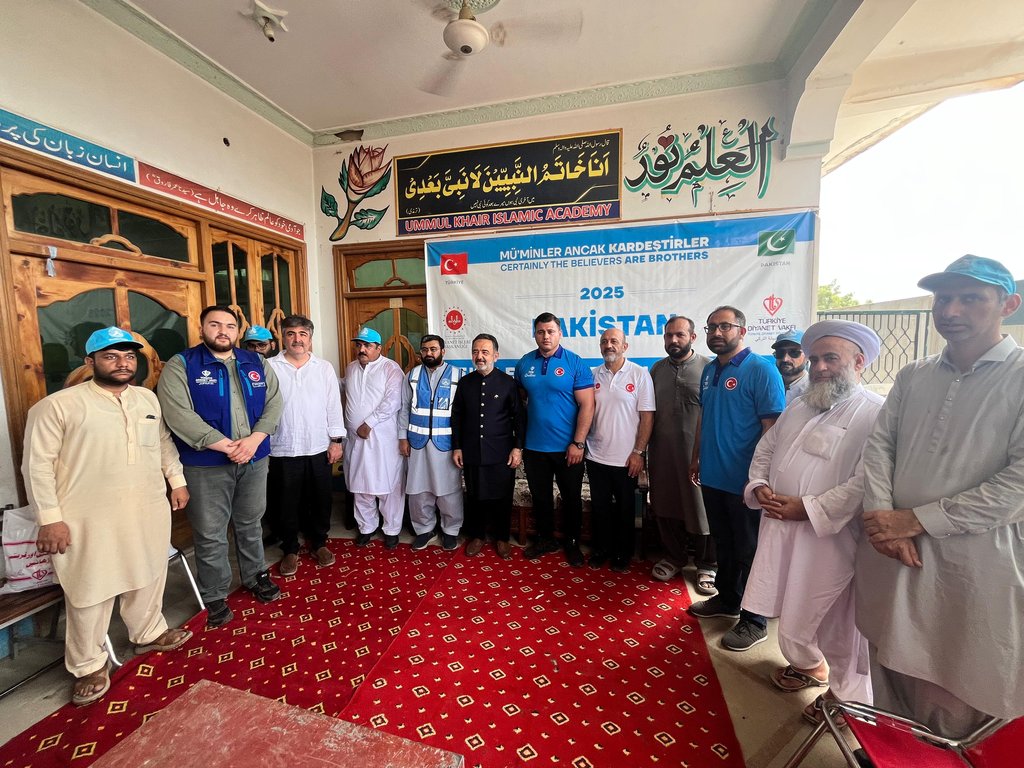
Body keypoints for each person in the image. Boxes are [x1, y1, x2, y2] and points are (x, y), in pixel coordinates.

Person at [859, 255, 1024, 735]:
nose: (951, 310)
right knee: (888, 661)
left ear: (1008, 305)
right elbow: (880, 447)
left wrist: (916, 520)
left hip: (973, 559)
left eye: (970, 298)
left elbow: (1019, 483)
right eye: (943, 298)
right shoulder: (914, 374)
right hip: (891, 550)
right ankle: (891, 753)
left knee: (957, 674)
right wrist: (882, 518)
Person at [23, 327, 193, 706]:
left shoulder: (146, 398)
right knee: (90, 587)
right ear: (90, 361)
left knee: (149, 571)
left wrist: (177, 481)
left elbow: (162, 444)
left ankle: (148, 632)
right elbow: (37, 466)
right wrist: (50, 518)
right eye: (111, 356)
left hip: (146, 506)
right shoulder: (57, 406)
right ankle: (88, 665)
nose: (122, 363)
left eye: (129, 357)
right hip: (87, 516)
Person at [742, 320, 883, 725]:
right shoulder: (799, 405)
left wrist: (808, 508)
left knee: (835, 622)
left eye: (830, 359)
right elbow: (766, 449)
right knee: (790, 608)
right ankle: (809, 666)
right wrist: (759, 485)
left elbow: (868, 481)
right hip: (780, 528)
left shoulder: (875, 413)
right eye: (816, 358)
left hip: (829, 539)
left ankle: (847, 698)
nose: (820, 367)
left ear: (859, 363)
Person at [158, 305, 283, 628]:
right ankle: (214, 593)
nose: (223, 331)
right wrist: (227, 446)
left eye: (229, 325)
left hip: (254, 457)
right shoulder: (182, 365)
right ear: (202, 329)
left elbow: (274, 403)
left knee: (250, 522)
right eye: (215, 325)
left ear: (237, 331)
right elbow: (178, 414)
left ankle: (255, 575)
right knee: (210, 531)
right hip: (206, 464)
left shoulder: (255, 362)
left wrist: (254, 440)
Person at [687, 305, 785, 651]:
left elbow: (772, 429)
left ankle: (755, 620)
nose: (717, 333)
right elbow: (704, 417)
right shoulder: (709, 370)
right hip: (713, 476)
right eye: (711, 327)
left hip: (745, 482)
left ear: (742, 331)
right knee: (724, 544)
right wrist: (697, 456)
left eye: (724, 326)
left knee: (750, 550)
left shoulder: (762, 370)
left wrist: (759, 477)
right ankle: (728, 600)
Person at [514, 312, 595, 566]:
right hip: (534, 447)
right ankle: (545, 539)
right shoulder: (525, 363)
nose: (546, 336)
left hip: (568, 448)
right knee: (541, 497)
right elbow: (520, 401)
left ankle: (572, 542)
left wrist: (578, 443)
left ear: (560, 333)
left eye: (550, 331)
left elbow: (588, 406)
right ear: (535, 334)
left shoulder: (575, 363)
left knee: (571, 498)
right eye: (541, 331)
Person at [267, 315, 345, 575]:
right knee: (285, 501)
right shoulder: (269, 367)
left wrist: (336, 440)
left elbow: (333, 406)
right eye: (291, 334)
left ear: (310, 338)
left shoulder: (323, 368)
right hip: (282, 446)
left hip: (318, 446)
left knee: (320, 498)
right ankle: (290, 548)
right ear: (283, 338)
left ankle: (319, 543)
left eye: (302, 334)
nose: (297, 339)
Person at [648, 316, 717, 595]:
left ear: (693, 337)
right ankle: (674, 557)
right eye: (669, 335)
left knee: (701, 508)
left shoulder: (710, 368)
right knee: (666, 504)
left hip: (698, 455)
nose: (673, 340)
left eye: (679, 335)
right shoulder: (656, 370)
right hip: (662, 453)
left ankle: (707, 564)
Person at [585, 328, 655, 572]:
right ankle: (600, 550)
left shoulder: (640, 374)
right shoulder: (593, 374)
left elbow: (647, 417)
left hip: (627, 459)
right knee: (600, 509)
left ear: (625, 346)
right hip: (595, 456)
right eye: (604, 341)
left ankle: (622, 554)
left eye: (614, 341)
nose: (609, 345)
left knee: (626, 510)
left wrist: (639, 452)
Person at [451, 333, 525, 558]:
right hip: (472, 451)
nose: (479, 356)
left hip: (501, 452)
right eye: (475, 352)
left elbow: (519, 418)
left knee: (502, 497)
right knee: (475, 496)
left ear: (496, 355)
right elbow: (457, 417)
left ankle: (502, 538)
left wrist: (518, 448)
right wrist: (457, 447)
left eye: (485, 352)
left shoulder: (508, 383)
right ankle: (477, 536)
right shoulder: (465, 383)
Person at [398, 335, 463, 552]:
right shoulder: (412, 376)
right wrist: (402, 437)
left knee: (448, 490)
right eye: (425, 349)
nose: (428, 353)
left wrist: (460, 445)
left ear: (443, 351)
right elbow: (403, 409)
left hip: (446, 444)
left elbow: (463, 414)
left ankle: (451, 530)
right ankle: (424, 529)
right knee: (418, 490)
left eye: (433, 349)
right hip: (417, 442)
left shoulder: (458, 375)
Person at [342, 327, 405, 548]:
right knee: (360, 485)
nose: (362, 349)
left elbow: (393, 401)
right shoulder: (351, 368)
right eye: (359, 345)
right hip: (355, 439)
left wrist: (369, 423)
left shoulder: (391, 368)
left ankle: (391, 529)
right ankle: (366, 527)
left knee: (388, 485)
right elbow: (342, 387)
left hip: (382, 439)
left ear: (379, 348)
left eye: (367, 345)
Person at [771, 329, 809, 403]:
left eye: (794, 353)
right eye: (780, 353)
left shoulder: (814, 391)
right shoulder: (769, 386)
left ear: (807, 356)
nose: (785, 359)